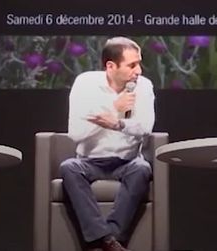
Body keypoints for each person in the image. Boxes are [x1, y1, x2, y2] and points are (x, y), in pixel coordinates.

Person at [60, 37, 156, 251]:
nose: (138, 71)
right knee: (69, 168)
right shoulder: (86, 84)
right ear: (111, 66)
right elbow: (76, 134)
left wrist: (118, 123)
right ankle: (107, 242)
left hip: (127, 161)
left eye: (139, 63)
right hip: (89, 161)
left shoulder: (144, 86)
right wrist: (114, 107)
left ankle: (107, 238)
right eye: (132, 65)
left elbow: (145, 128)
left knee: (142, 169)